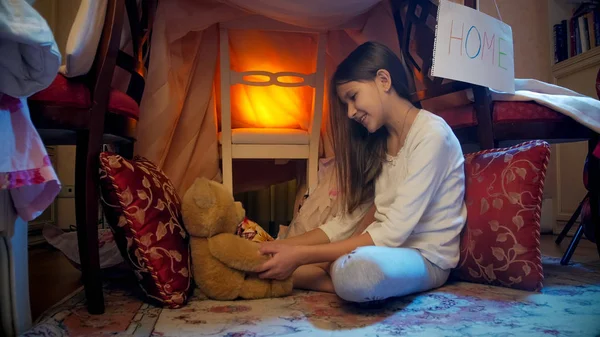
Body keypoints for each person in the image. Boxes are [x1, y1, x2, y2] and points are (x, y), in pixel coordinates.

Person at [255, 41, 467, 303]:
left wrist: (302, 255)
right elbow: (349, 221)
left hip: (425, 257)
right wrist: (284, 246)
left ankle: (328, 272)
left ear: (383, 80)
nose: (351, 112)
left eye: (353, 97)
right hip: (380, 250)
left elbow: (393, 232)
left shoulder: (432, 134)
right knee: (272, 264)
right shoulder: (380, 142)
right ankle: (323, 270)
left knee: (356, 272)